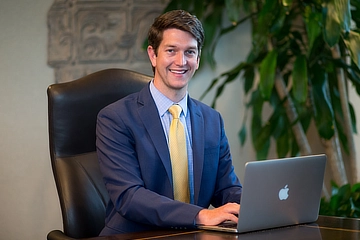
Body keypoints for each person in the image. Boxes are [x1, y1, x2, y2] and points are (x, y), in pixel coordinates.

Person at [96, 9, 242, 235]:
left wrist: (252, 207)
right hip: (135, 236)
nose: (181, 61)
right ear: (153, 55)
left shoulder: (212, 120)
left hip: (192, 235)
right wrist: (200, 215)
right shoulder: (115, 118)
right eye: (171, 50)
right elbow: (129, 196)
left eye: (190, 52)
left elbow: (227, 187)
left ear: (198, 58)